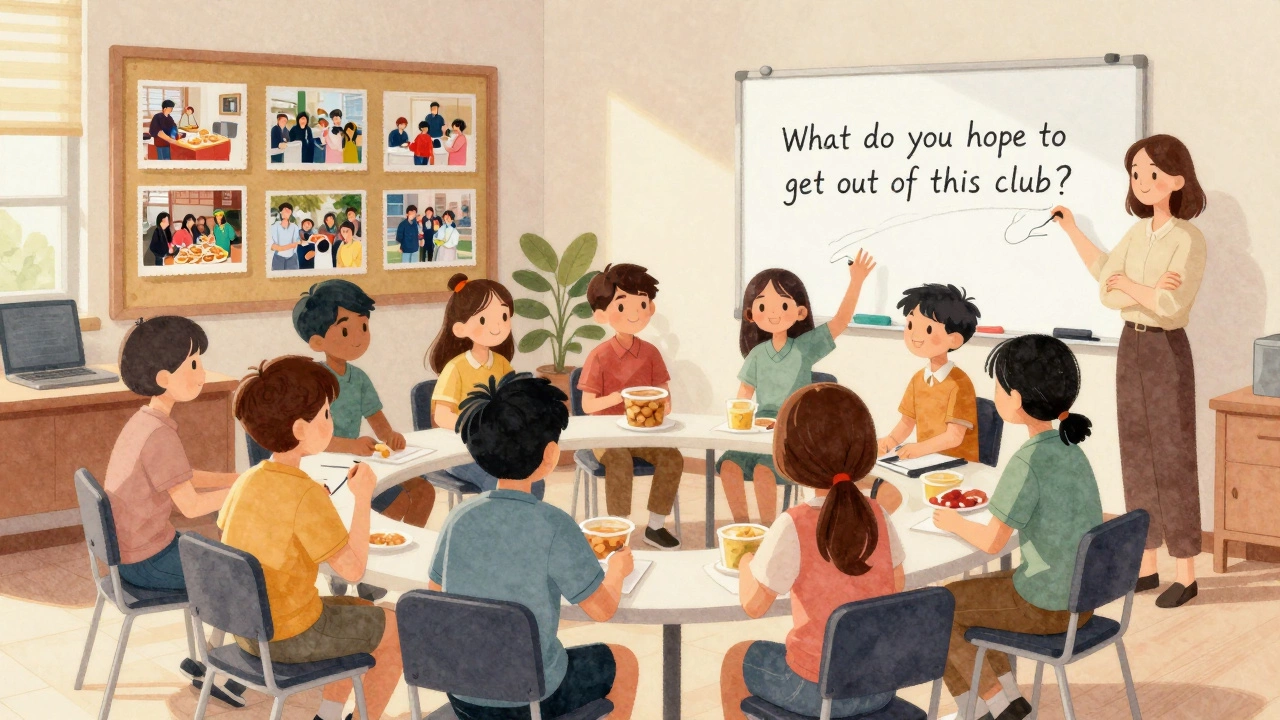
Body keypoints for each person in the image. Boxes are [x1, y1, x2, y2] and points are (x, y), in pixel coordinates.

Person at [1052, 134, 1207, 609]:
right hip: (1130, 347)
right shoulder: (1136, 235)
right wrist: (1073, 230)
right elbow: (1106, 284)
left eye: (1152, 174)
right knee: (1136, 455)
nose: (1142, 183)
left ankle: (1187, 572)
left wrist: (1135, 289)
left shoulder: (1188, 238)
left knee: (1173, 457)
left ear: (1177, 180)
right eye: (1136, 173)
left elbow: (1171, 305)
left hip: (1166, 351)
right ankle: (1147, 564)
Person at [427, 373, 638, 719]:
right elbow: (602, 610)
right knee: (622, 661)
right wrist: (617, 570)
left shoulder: (457, 518)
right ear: (551, 455)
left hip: (463, 695)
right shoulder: (554, 525)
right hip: (529, 700)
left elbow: (436, 599)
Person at [222, 356, 404, 720]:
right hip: (289, 634)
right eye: (325, 414)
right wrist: (363, 499)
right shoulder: (303, 494)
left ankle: (328, 715)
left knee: (367, 612)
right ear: (301, 429)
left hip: (247, 628)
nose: (331, 422)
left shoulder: (249, 479)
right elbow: (353, 571)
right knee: (399, 630)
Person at [933, 335, 1102, 720]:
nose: (994, 393)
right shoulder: (1070, 449)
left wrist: (955, 522)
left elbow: (993, 543)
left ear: (1016, 398)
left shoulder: (1028, 460)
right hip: (1081, 599)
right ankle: (996, 702)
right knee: (980, 596)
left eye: (997, 386)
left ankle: (998, 705)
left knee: (941, 605)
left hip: (1048, 605)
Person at [720, 383, 904, 719]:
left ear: (790, 454)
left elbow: (753, 605)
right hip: (879, 685)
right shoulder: (879, 514)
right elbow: (895, 587)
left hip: (818, 692)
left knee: (737, 659)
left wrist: (747, 561)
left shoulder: (793, 524)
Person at [105, 316, 245, 707]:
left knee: (224, 557)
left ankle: (210, 662)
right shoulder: (159, 435)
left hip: (130, 551)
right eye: (194, 365)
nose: (201, 373)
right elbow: (192, 504)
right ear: (165, 376)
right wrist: (248, 488)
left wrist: (234, 478)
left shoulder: (145, 421)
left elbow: (181, 476)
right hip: (144, 560)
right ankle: (227, 673)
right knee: (240, 576)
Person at [292, 280, 436, 600]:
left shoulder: (359, 378)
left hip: (358, 461)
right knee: (395, 502)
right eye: (346, 331)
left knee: (423, 491)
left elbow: (379, 423)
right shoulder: (312, 381)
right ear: (317, 342)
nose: (358, 338)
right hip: (324, 469)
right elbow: (307, 441)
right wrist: (350, 445)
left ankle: (380, 564)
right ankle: (354, 565)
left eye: (363, 326)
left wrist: (391, 437)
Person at [717, 251, 880, 525]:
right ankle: (743, 526)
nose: (772, 314)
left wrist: (856, 281)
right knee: (729, 466)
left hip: (791, 435)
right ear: (751, 314)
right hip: (757, 432)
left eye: (782, 306)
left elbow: (839, 322)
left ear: (800, 312)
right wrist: (740, 420)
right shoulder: (757, 354)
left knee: (762, 472)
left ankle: (769, 530)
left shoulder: (804, 348)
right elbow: (744, 394)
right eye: (762, 307)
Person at [579, 263, 683, 549]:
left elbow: (666, 398)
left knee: (672, 457)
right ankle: (618, 528)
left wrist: (657, 402)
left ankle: (655, 526)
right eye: (622, 306)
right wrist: (620, 398)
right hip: (606, 435)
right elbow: (587, 406)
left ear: (650, 308)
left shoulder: (650, 353)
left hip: (643, 433)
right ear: (602, 314)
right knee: (619, 459)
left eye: (642, 303)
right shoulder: (599, 356)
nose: (635, 312)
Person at [427, 274, 531, 497]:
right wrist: (476, 427)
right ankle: (495, 530)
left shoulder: (502, 365)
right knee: (500, 483)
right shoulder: (455, 368)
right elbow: (441, 416)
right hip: (461, 453)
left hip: (498, 448)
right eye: (484, 320)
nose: (498, 326)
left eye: (504, 316)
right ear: (461, 328)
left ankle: (522, 528)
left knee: (532, 476)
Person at [877, 284, 982, 462]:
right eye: (910, 325)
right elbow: (907, 422)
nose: (914, 335)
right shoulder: (918, 379)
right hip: (925, 460)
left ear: (954, 339)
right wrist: (890, 441)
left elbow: (954, 437)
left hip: (958, 464)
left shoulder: (959, 382)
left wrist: (919, 449)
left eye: (928, 329)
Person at [270, 202, 300, 271]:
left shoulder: (295, 227)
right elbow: (273, 246)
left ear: (291, 213)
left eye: (289, 210)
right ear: (280, 212)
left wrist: (282, 247)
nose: (287, 211)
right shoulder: (274, 226)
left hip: (292, 258)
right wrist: (288, 246)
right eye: (285, 209)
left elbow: (295, 243)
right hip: (278, 258)